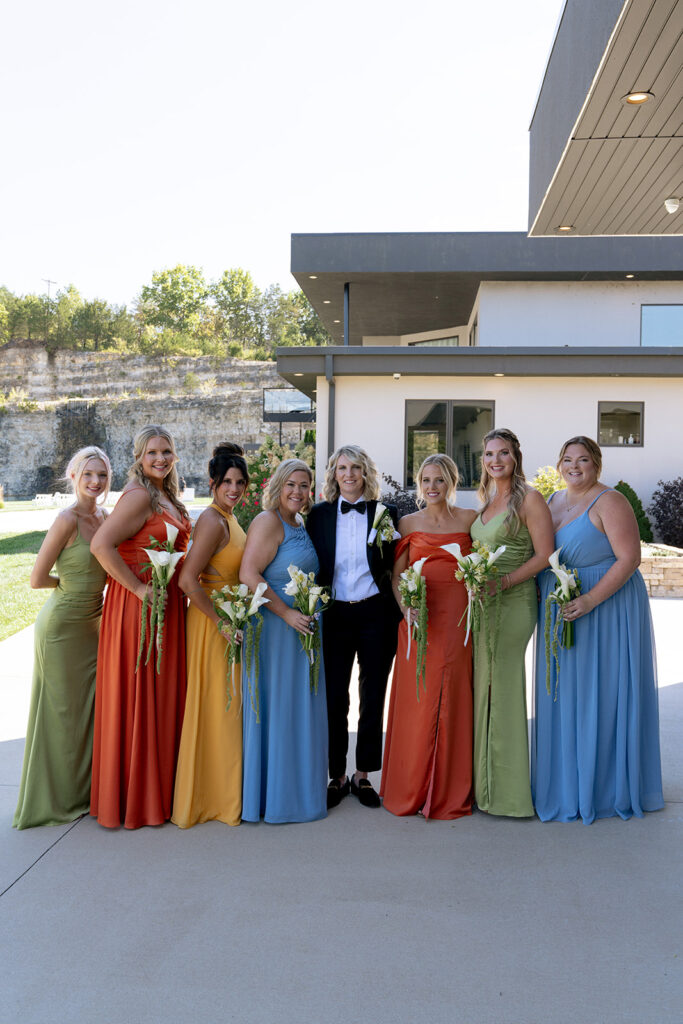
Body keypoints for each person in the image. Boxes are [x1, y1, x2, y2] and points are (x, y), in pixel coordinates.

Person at [532, 435, 664, 824]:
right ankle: (567, 783)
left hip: (606, 610)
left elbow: (630, 558)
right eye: (568, 460)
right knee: (564, 696)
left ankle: (604, 789)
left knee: (601, 695)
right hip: (562, 608)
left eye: (584, 460)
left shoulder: (610, 501)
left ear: (597, 465)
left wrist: (590, 600)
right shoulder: (553, 501)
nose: (575, 466)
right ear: (559, 465)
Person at [90, 426, 191, 829]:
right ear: (138, 456)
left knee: (161, 696)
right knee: (140, 697)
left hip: (166, 605)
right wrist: (138, 588)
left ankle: (160, 792)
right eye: (152, 453)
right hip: (139, 607)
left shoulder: (167, 496)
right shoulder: (137, 496)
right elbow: (101, 545)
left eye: (166, 452)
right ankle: (137, 798)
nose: (160, 459)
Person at [13, 447, 111, 830]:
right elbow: (37, 579)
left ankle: (83, 793)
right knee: (61, 714)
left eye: (102, 475)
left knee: (88, 713)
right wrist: (72, 586)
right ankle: (53, 800)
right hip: (61, 629)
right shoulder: (66, 519)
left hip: (95, 628)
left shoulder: (105, 517)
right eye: (88, 474)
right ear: (73, 476)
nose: (95, 482)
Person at [380, 454, 476, 819]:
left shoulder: (470, 519)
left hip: (458, 622)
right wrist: (407, 609)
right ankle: (413, 785)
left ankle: (449, 788)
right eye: (425, 480)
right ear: (418, 484)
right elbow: (397, 576)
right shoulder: (406, 523)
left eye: (439, 480)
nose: (432, 487)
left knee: (453, 698)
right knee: (419, 700)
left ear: (451, 482)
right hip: (420, 621)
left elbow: (480, 565)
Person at [307, 445, 399, 809]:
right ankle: (337, 775)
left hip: (376, 613)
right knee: (335, 696)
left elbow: (395, 564)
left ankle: (363, 775)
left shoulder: (385, 513)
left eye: (355, 467)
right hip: (335, 615)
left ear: (365, 473)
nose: (348, 474)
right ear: (333, 474)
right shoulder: (318, 516)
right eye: (341, 468)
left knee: (373, 693)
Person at [470, 428, 554, 817]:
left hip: (514, 602)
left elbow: (544, 556)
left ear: (515, 457)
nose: (495, 460)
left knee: (503, 691)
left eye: (503, 453)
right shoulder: (485, 501)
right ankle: (483, 786)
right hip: (483, 607)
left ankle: (508, 795)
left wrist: (502, 581)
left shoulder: (530, 499)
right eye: (489, 454)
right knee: (483, 691)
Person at [239, 458, 327, 823]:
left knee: (298, 711)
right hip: (275, 630)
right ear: (278, 485)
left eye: (304, 485)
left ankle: (297, 795)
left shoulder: (300, 522)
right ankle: (272, 799)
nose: (297, 491)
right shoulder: (267, 521)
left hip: (302, 630)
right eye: (291, 484)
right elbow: (248, 573)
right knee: (277, 710)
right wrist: (287, 613)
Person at [171, 443, 248, 828]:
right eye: (226, 482)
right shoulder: (213, 521)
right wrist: (221, 621)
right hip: (211, 623)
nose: (233, 488)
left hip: (229, 620)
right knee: (217, 708)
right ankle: (208, 799)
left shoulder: (230, 517)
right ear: (213, 484)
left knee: (227, 710)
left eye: (239, 482)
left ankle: (223, 794)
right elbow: (187, 580)